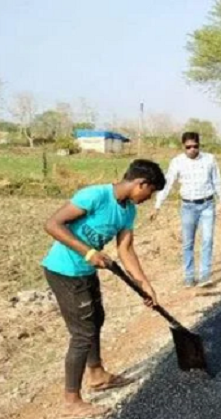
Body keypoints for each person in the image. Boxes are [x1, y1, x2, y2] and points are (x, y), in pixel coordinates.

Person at [42, 159, 165, 418]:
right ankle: (71, 401)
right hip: (64, 270)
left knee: (96, 319)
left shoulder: (128, 211)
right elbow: (52, 224)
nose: (148, 198)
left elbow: (125, 250)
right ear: (141, 184)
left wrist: (144, 284)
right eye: (150, 192)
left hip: (85, 271)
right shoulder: (95, 196)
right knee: (82, 333)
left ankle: (97, 375)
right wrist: (89, 253)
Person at [152, 132, 221, 288]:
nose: (192, 149)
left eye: (195, 146)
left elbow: (216, 181)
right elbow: (168, 183)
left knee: (207, 240)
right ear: (183, 146)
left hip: (207, 204)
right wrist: (157, 205)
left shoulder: (209, 159)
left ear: (199, 145)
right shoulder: (177, 162)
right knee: (188, 243)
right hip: (188, 207)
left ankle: (205, 276)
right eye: (188, 147)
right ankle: (189, 276)